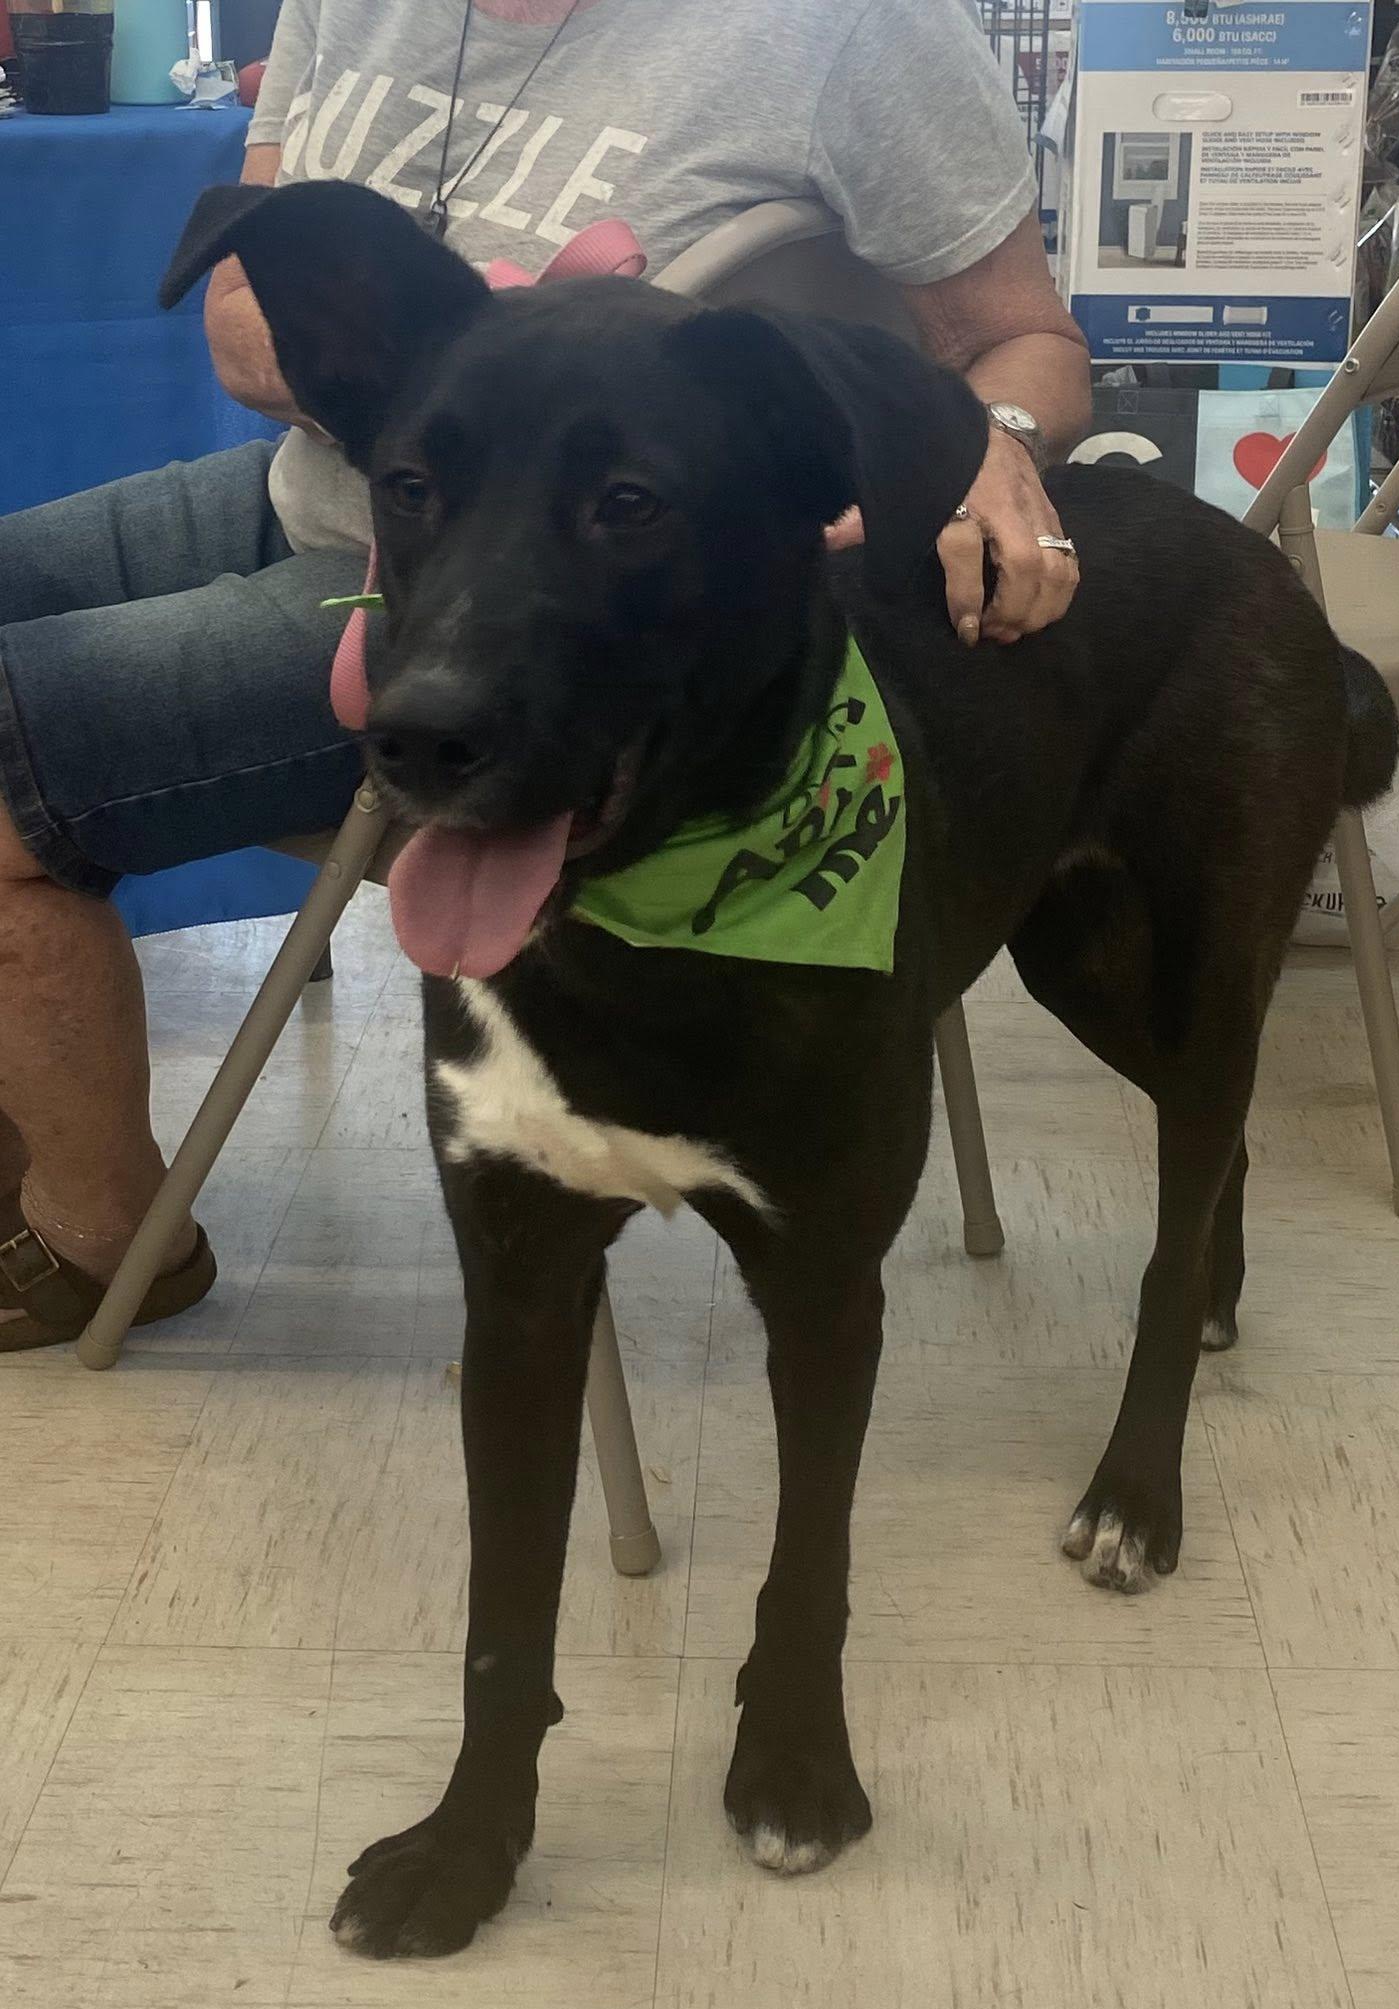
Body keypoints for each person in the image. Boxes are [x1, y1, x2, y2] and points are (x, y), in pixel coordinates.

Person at [0, 0, 1091, 1351]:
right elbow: (237, 308)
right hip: (359, 493)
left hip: (566, 620)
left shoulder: (850, 24)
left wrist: (988, 436)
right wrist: (417, 369)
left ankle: (97, 1234)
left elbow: (1020, 332)